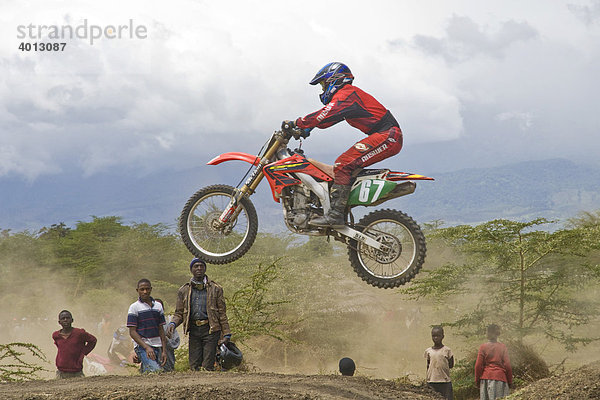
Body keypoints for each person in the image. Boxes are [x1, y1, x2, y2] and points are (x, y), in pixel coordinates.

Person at [284, 62, 403, 227]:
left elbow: (323, 115)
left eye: (323, 84)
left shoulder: (347, 94)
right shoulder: (346, 98)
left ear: (335, 80)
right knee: (345, 165)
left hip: (388, 135)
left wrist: (297, 122)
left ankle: (336, 216)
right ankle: (336, 207)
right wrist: (306, 129)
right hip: (385, 135)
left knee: (343, 163)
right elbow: (328, 119)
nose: (323, 89)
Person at [167, 258, 232, 371]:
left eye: (201, 266)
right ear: (191, 269)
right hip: (194, 330)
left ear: (205, 268)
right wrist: (172, 324)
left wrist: (226, 334)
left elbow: (222, 313)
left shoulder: (216, 289)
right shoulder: (184, 290)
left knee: (208, 365)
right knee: (194, 364)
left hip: (211, 330)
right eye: (196, 266)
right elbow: (179, 313)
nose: (199, 268)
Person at [126, 278, 168, 373]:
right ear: (138, 291)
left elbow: (161, 329)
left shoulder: (158, 306)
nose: (145, 292)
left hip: (157, 345)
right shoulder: (134, 307)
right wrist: (146, 347)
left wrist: (164, 351)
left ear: (151, 289)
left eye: (147, 289)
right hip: (143, 346)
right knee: (155, 371)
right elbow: (132, 332)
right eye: (142, 289)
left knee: (147, 371)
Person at [52, 310, 97, 379]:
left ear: (72, 320)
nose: (65, 320)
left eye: (67, 318)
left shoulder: (79, 333)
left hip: (76, 372)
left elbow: (93, 340)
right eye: (63, 318)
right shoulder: (56, 335)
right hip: (61, 372)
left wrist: (84, 352)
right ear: (59, 322)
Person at [475, 324, 513, 400]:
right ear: (497, 334)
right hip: (500, 378)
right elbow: (508, 365)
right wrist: (510, 381)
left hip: (486, 378)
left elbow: (478, 366)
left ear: (488, 333)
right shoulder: (502, 347)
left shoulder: (483, 347)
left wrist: (477, 380)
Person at [424, 325, 454, 400]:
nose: (435, 338)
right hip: (432, 381)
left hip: (445, 382)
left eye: (438, 336)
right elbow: (428, 365)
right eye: (433, 336)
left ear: (443, 336)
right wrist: (427, 378)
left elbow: (451, 365)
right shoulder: (428, 351)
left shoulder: (447, 350)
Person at [155, 298, 180, 372]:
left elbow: (176, 343)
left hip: (168, 362)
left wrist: (166, 340)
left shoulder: (169, 323)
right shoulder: (147, 324)